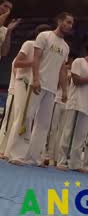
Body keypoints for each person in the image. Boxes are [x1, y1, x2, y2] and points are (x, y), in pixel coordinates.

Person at [5, 12, 72, 166]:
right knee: (26, 117)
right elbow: (35, 58)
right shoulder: (44, 36)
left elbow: (62, 70)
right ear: (60, 21)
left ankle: (33, 157)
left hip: (51, 89)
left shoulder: (66, 47)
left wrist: (65, 90)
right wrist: (35, 78)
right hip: (37, 83)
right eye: (67, 22)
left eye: (71, 23)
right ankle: (17, 154)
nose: (69, 25)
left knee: (43, 124)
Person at [0, 24, 50, 159]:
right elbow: (17, 64)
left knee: (25, 117)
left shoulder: (46, 52)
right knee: (19, 117)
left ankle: (12, 150)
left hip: (33, 85)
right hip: (22, 83)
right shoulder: (29, 44)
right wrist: (33, 63)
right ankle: (7, 150)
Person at [61, 41, 88, 172]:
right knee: (68, 132)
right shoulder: (79, 62)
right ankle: (62, 161)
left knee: (80, 136)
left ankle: (75, 163)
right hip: (74, 102)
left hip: (86, 105)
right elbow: (77, 81)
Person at [45, 54, 72, 166]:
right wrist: (64, 77)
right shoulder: (60, 70)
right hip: (58, 100)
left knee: (62, 131)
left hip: (68, 103)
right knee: (52, 129)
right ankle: (48, 155)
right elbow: (56, 85)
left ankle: (57, 157)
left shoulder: (75, 72)